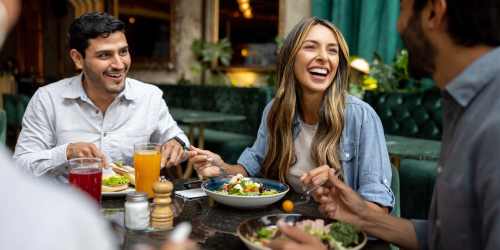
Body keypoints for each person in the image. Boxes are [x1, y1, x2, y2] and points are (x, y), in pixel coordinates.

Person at [274, 0, 500, 249]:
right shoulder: (465, 103)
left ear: (434, 12)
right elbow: (451, 239)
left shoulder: (493, 120)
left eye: (402, 10)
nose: (398, 26)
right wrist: (363, 217)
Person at [190, 17, 394, 214]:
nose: (323, 57)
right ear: (291, 57)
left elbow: (379, 211)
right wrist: (222, 168)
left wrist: (339, 194)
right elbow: (249, 168)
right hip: (288, 222)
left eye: (332, 51)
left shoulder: (361, 117)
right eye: (311, 47)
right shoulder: (275, 111)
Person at [13, 12, 190, 177]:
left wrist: (176, 143)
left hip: (134, 203)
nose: (119, 64)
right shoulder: (48, 99)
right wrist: (67, 153)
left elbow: (179, 140)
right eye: (105, 55)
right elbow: (21, 165)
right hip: (68, 204)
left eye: (123, 52)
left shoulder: (149, 96)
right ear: (78, 58)